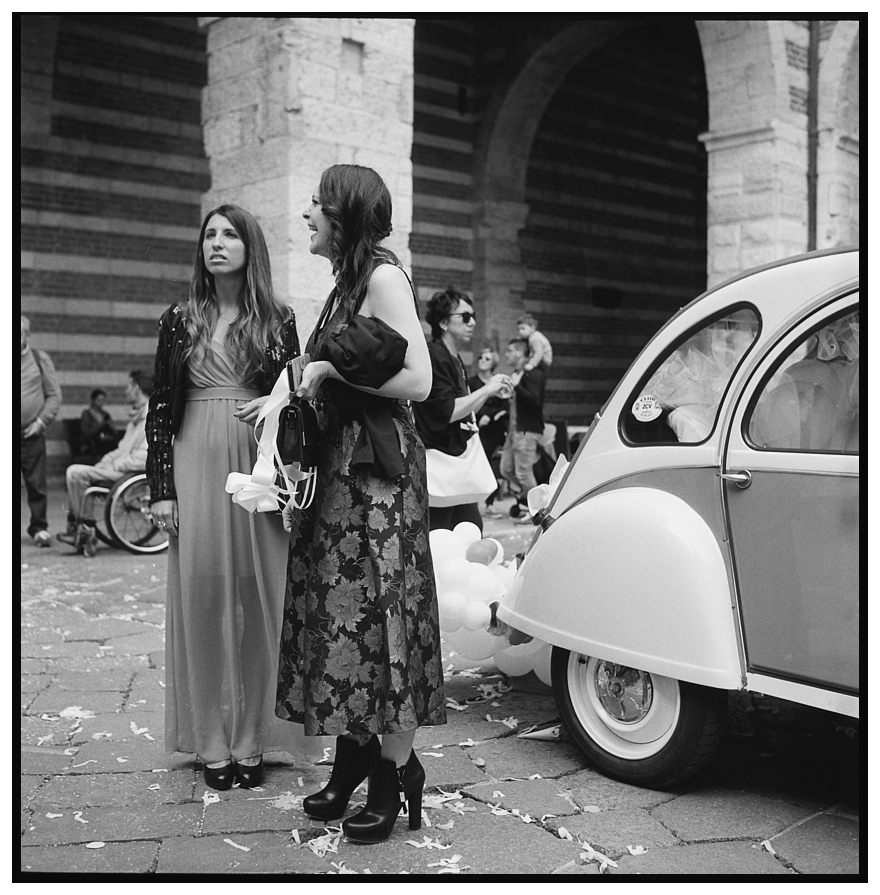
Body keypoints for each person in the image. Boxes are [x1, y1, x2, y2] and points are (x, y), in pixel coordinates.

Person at [275, 164, 446, 845]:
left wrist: (329, 369)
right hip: (342, 477)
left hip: (380, 481)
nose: (307, 213)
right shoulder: (346, 282)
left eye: (317, 203)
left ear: (346, 212)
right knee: (344, 619)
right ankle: (352, 758)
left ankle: (394, 772)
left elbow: (419, 376)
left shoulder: (382, 276)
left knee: (386, 614)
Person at [146, 203, 312, 792]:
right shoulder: (179, 317)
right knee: (202, 600)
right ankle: (209, 740)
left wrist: (290, 471)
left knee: (263, 601)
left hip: (258, 472)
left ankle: (251, 736)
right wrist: (162, 489)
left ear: (251, 248)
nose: (217, 243)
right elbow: (161, 408)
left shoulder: (278, 319)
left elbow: (296, 399)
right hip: (194, 463)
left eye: (229, 235)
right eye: (209, 235)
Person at [413, 288, 512, 533]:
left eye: (473, 316)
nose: (473, 322)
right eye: (465, 317)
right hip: (443, 460)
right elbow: (448, 412)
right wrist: (487, 390)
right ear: (444, 322)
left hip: (454, 462)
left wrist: (488, 392)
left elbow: (465, 409)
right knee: (442, 532)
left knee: (470, 527)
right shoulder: (436, 355)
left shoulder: (453, 357)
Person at [58, 371, 153, 548]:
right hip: (122, 471)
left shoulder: (149, 418)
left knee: (76, 473)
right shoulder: (136, 418)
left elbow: (145, 458)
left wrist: (115, 465)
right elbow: (121, 450)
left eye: (129, 386)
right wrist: (106, 461)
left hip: (129, 475)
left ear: (137, 388)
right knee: (77, 473)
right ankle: (80, 526)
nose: (126, 391)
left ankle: (84, 529)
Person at [21, 314, 62, 547]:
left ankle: (39, 528)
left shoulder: (39, 359)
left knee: (36, 484)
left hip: (30, 432)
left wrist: (40, 422)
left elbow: (54, 396)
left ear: (27, 335)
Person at [500, 337, 546, 523]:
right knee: (506, 469)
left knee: (523, 473)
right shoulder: (518, 372)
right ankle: (533, 500)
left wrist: (517, 386)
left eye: (510, 351)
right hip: (514, 431)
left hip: (527, 431)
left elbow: (535, 400)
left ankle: (540, 511)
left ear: (519, 352)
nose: (507, 355)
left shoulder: (532, 373)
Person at [467, 348, 508, 518]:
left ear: (493, 363)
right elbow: (470, 402)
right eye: (480, 357)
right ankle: (472, 503)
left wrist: (489, 415)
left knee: (493, 466)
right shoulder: (472, 381)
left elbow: (504, 406)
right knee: (476, 464)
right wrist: (481, 415)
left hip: (495, 429)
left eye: (487, 358)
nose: (482, 360)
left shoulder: (497, 381)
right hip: (479, 428)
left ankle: (489, 503)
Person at [79, 388, 119, 463]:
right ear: (93, 400)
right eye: (99, 400)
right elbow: (86, 432)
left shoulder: (105, 414)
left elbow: (114, 431)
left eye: (103, 400)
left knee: (114, 443)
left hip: (105, 440)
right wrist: (101, 425)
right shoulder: (87, 414)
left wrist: (110, 426)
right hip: (91, 443)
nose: (101, 403)